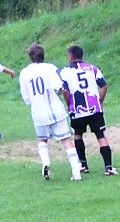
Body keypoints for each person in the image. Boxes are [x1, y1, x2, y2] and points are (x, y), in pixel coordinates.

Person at [19, 43, 82, 181]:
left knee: (42, 140)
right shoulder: (50, 68)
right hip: (55, 110)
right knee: (66, 140)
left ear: (30, 57)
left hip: (38, 112)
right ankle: (76, 172)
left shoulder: (24, 73)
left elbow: (26, 97)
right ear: (43, 55)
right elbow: (59, 86)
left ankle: (46, 163)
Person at [60, 45, 118, 176]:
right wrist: (99, 101)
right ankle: (108, 167)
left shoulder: (65, 71)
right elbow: (103, 86)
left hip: (77, 110)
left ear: (70, 57)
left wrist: (69, 103)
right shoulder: (92, 69)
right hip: (95, 109)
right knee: (101, 136)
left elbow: (64, 90)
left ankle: (83, 165)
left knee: (78, 135)